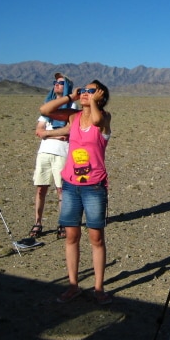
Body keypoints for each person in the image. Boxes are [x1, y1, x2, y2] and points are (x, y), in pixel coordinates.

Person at [39, 79, 113, 305]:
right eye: (83, 90)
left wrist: (94, 103)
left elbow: (98, 119)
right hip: (70, 185)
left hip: (94, 186)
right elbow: (45, 110)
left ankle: (98, 288)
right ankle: (73, 286)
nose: (84, 94)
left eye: (90, 91)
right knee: (72, 236)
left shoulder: (105, 117)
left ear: (100, 96)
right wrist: (71, 97)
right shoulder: (73, 117)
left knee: (96, 237)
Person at [29, 73, 75, 239]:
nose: (57, 84)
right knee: (41, 188)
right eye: (55, 82)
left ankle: (62, 222)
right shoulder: (47, 106)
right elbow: (38, 130)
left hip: (62, 154)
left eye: (61, 83)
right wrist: (54, 134)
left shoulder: (73, 108)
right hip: (44, 153)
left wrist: (47, 133)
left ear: (68, 87)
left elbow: (68, 132)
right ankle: (38, 222)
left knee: (61, 190)